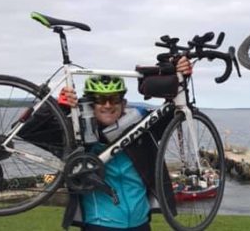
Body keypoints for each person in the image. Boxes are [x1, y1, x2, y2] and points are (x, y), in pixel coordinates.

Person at [59, 57, 193, 231]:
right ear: (91, 104)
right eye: (100, 99)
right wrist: (60, 107)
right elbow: (31, 130)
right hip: (99, 224)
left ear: (123, 103)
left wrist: (180, 74)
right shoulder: (75, 133)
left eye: (114, 99)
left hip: (140, 223)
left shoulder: (143, 127)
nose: (107, 105)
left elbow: (178, 109)